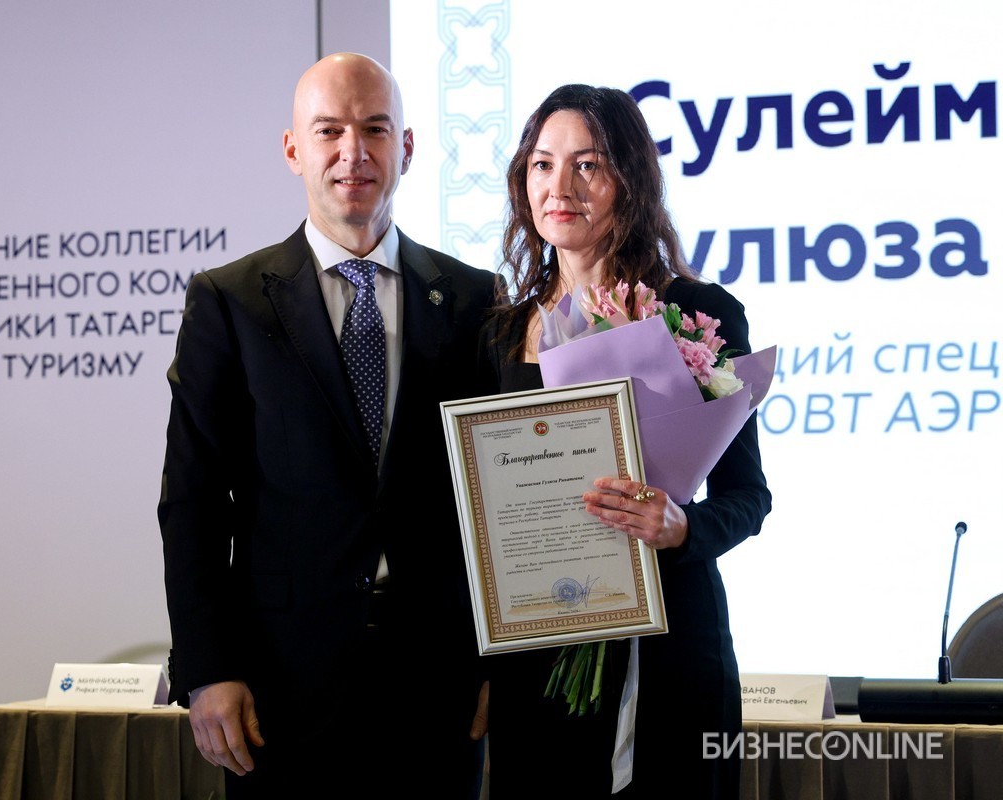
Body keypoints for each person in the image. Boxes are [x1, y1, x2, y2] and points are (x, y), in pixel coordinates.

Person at [158, 53, 496, 800]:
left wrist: (500, 659)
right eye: (329, 131)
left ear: (407, 147)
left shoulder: (475, 300)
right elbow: (193, 502)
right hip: (280, 687)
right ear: (293, 149)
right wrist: (208, 668)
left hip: (438, 683)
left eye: (375, 128)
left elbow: (496, 500)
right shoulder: (229, 302)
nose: (354, 152)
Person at [478, 84, 771, 798]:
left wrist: (681, 527)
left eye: (588, 165)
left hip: (670, 648)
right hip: (536, 656)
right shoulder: (496, 332)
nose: (560, 187)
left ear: (630, 181)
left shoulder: (696, 312)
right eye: (542, 165)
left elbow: (748, 497)